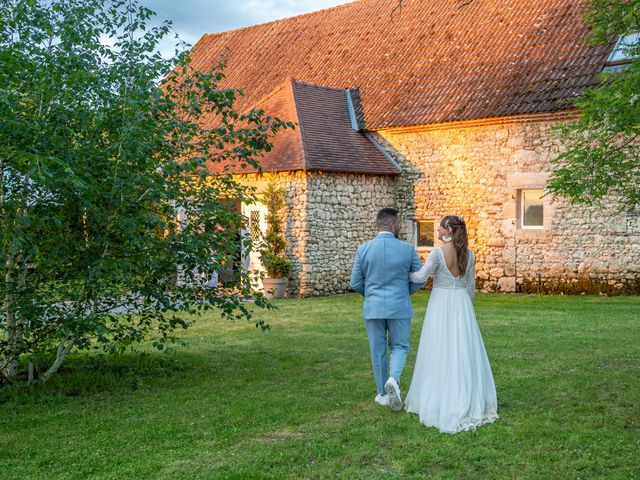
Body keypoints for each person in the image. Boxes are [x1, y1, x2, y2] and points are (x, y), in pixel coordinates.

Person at [404, 215, 498, 433]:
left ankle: (440, 398)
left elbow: (420, 277)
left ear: (448, 230)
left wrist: (403, 271)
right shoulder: (470, 254)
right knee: (463, 350)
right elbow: (470, 287)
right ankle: (465, 394)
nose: (437, 233)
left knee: (439, 348)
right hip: (462, 303)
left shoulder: (437, 253)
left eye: (439, 230)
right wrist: (468, 311)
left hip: (441, 303)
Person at [350, 208, 425, 410]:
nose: (400, 226)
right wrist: (403, 291)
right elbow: (421, 278)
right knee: (400, 346)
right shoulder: (407, 249)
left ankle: (383, 394)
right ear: (392, 225)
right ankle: (393, 379)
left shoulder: (363, 249)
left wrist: (372, 295)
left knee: (377, 350)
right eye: (399, 223)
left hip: (373, 307)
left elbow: (355, 282)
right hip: (399, 305)